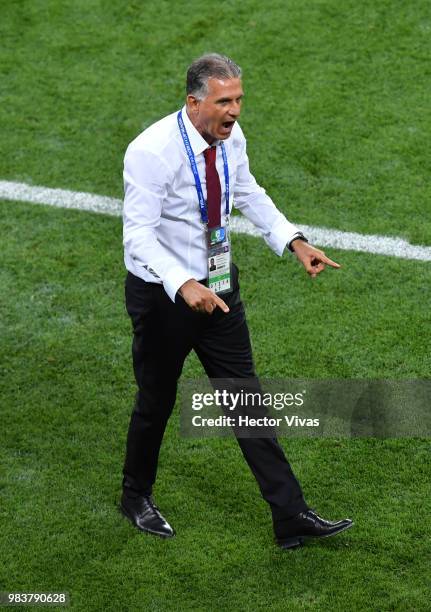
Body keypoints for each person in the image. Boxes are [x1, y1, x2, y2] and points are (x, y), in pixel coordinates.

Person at [120, 53, 353, 549]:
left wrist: (294, 240)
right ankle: (134, 495)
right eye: (224, 101)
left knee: (247, 400)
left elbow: (247, 192)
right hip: (165, 297)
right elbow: (138, 236)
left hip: (221, 285)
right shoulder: (151, 151)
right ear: (194, 101)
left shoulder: (230, 138)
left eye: (239, 99)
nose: (234, 111)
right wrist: (183, 284)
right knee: (157, 400)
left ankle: (290, 516)